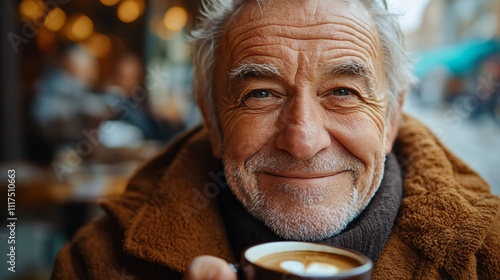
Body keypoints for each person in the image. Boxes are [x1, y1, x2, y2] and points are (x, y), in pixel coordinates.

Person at [51, 0, 500, 279]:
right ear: (212, 121)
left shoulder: (488, 254)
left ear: (392, 118)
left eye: (343, 92)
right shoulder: (96, 262)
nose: (303, 140)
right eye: (260, 94)